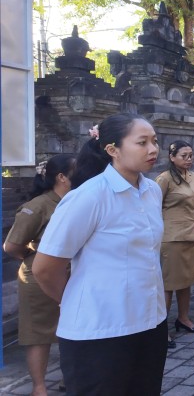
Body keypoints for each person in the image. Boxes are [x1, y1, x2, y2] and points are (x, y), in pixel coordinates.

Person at [33, 113, 167, 395]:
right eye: (142, 142)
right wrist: (73, 299)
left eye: (155, 141)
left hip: (150, 324)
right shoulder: (89, 196)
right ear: (112, 150)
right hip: (100, 332)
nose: (153, 149)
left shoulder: (152, 191)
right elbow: (45, 268)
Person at [3, 154, 75, 396]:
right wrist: (34, 257)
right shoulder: (38, 206)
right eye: (77, 170)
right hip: (39, 278)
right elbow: (11, 246)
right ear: (62, 177)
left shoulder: (76, 202)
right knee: (39, 333)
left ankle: (69, 376)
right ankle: (39, 387)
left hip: (72, 275)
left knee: (72, 327)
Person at [156, 140, 194, 350]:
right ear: (172, 157)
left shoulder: (191, 176)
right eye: (184, 156)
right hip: (171, 237)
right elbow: (153, 207)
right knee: (168, 285)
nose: (189, 160)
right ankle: (161, 329)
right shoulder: (164, 179)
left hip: (190, 234)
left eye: (191, 155)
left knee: (186, 281)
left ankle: (183, 318)